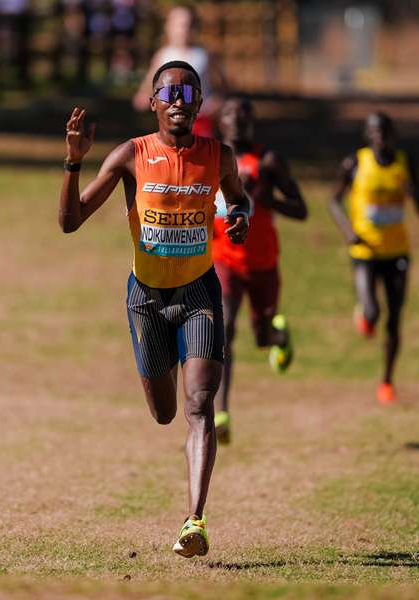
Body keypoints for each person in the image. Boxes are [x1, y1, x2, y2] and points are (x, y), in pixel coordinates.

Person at [58, 60, 250, 558]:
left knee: (199, 404)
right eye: (170, 91)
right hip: (146, 298)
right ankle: (191, 502)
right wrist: (74, 162)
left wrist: (240, 218)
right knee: (165, 413)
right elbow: (70, 221)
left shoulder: (219, 155)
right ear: (154, 102)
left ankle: (195, 521)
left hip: (198, 294)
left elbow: (237, 198)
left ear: (201, 102)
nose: (180, 99)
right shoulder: (130, 156)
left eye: (190, 90)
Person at [211, 96, 307, 444]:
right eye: (230, 115)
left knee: (262, 337)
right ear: (220, 122)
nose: (236, 121)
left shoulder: (268, 162)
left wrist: (270, 200)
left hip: (263, 264)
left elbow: (301, 210)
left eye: (243, 115)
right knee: (222, 330)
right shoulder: (211, 160)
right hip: (224, 260)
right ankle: (221, 413)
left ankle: (279, 336)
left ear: (252, 122)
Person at [329, 112, 419, 406]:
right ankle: (365, 315)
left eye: (385, 131)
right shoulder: (356, 164)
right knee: (373, 312)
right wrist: (348, 231)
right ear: (367, 135)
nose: (380, 138)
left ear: (393, 134)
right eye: (374, 132)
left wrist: (414, 194)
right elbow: (333, 200)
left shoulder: (405, 163)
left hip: (397, 252)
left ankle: (387, 381)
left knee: (394, 320)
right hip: (365, 251)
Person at [132, 3, 226, 137]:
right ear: (168, 27)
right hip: (172, 121)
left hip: (200, 120)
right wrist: (143, 98)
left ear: (195, 27)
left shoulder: (204, 55)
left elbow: (223, 88)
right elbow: (147, 87)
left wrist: (216, 103)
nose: (184, 29)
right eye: (179, 25)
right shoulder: (163, 55)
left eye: (188, 25)